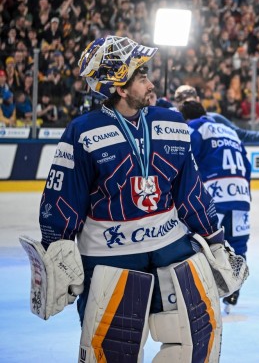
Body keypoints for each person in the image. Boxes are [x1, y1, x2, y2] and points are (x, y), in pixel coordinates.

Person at [29, 35, 247, 362]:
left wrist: (214, 239)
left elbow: (191, 190)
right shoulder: (82, 132)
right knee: (111, 351)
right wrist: (56, 245)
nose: (151, 83)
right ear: (120, 87)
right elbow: (62, 197)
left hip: (173, 252)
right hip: (110, 259)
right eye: (141, 77)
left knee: (197, 345)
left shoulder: (171, 123)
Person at [180, 98, 253, 312]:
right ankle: (234, 288)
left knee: (205, 243)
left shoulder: (195, 128)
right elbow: (247, 166)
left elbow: (186, 158)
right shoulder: (229, 131)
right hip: (241, 196)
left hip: (214, 194)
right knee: (238, 245)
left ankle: (204, 290)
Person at [173, 84, 259, 143]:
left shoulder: (214, 119)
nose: (187, 106)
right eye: (183, 102)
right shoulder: (171, 122)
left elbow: (240, 135)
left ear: (198, 100)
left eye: (190, 101)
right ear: (176, 105)